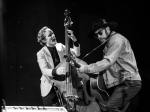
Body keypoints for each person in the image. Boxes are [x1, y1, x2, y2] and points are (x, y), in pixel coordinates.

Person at [78, 19, 142, 112]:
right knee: (107, 107)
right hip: (121, 83)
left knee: (110, 107)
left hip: (130, 82)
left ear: (108, 29)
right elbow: (109, 68)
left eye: (100, 33)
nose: (99, 37)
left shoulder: (116, 40)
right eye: (96, 35)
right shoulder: (110, 43)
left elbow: (107, 61)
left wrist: (86, 68)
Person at [37, 26, 80, 106]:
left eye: (53, 33)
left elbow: (77, 54)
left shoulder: (60, 46)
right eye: (50, 35)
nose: (53, 36)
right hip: (50, 87)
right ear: (44, 40)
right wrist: (55, 71)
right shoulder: (41, 53)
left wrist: (74, 40)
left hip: (63, 85)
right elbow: (44, 70)